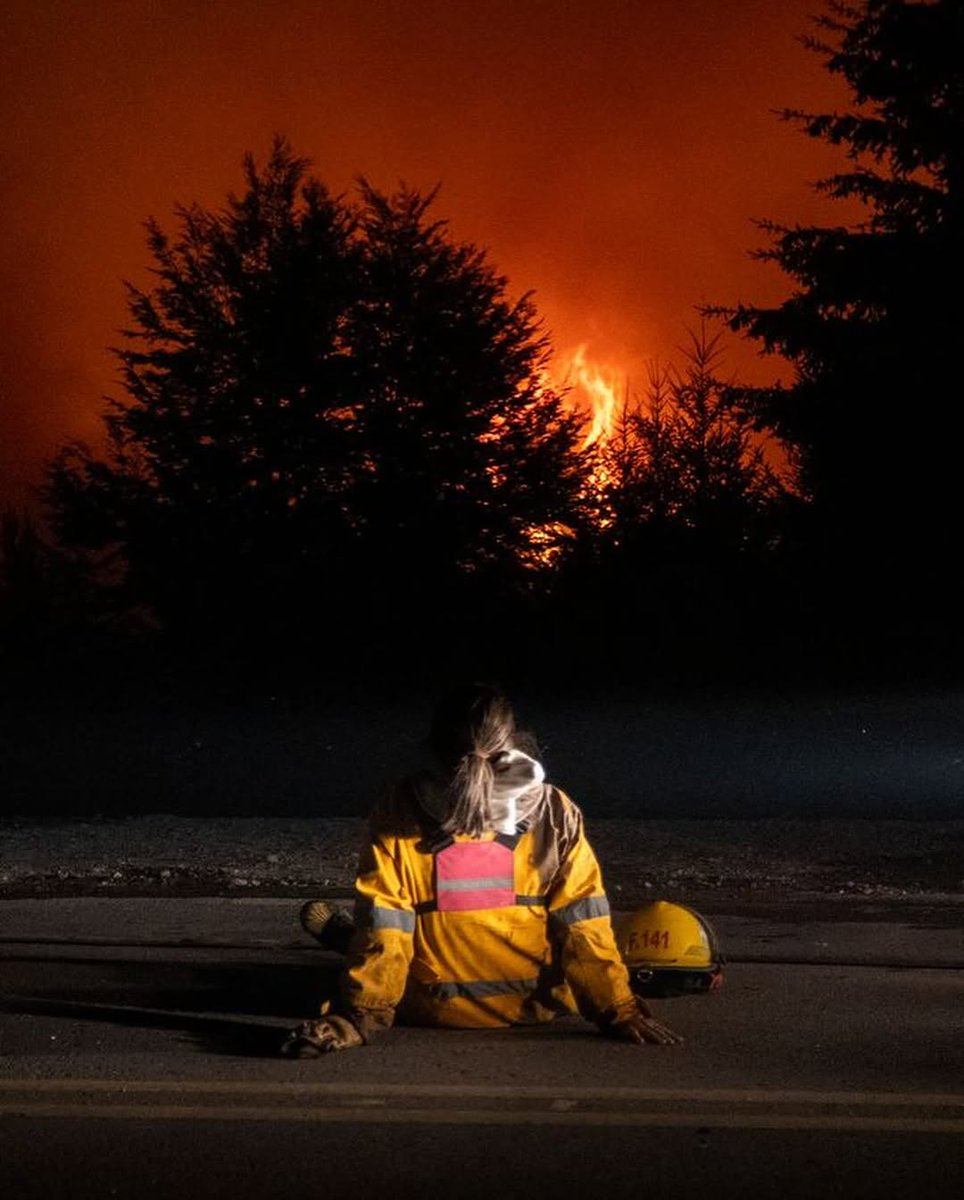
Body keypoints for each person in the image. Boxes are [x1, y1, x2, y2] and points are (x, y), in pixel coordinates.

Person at [281, 683, 681, 1056]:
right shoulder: (554, 810)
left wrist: (360, 1016)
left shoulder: (398, 808)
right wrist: (619, 1009)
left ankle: (342, 935)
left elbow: (386, 928)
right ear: (517, 742)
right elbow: (582, 927)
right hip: (537, 1005)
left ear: (434, 747)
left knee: (375, 933)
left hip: (428, 1005)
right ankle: (341, 935)